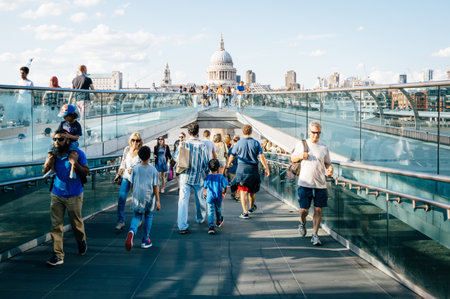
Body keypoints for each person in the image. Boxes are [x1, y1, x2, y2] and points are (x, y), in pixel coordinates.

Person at [42, 129, 89, 266]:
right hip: (57, 194)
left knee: (76, 224)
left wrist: (75, 164)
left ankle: (81, 241)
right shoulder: (53, 155)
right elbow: (44, 171)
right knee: (56, 226)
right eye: (55, 139)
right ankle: (58, 255)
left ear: (68, 141)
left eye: (60, 139)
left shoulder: (78, 154)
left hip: (74, 195)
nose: (57, 142)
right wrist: (48, 162)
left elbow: (86, 171)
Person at [290, 121, 333, 246]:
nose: (316, 135)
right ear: (309, 132)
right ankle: (302, 223)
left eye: (318, 133)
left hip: (320, 184)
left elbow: (327, 163)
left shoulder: (324, 147)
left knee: (318, 209)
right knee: (304, 210)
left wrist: (330, 169)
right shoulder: (301, 144)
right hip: (304, 182)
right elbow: (292, 158)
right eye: (314, 132)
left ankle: (315, 235)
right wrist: (300, 156)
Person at [226, 125, 270, 219]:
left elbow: (232, 155)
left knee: (243, 191)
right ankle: (251, 207)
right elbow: (261, 157)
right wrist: (266, 168)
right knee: (252, 190)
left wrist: (229, 163)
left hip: (242, 168)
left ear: (243, 132)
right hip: (253, 169)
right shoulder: (256, 143)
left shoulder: (238, 143)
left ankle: (245, 212)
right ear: (251, 131)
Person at [173, 122, 209, 234]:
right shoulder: (202, 145)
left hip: (185, 176)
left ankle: (182, 226)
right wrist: (206, 174)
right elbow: (205, 163)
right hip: (198, 177)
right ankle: (201, 218)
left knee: (183, 201)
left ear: (188, 132)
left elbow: (175, 158)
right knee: (200, 200)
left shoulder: (183, 144)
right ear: (198, 132)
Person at [125, 146, 161, 251]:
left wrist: (133, 195)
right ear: (149, 156)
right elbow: (156, 187)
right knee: (148, 216)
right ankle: (145, 240)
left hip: (137, 196)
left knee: (137, 216)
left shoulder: (135, 169)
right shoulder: (153, 170)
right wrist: (158, 201)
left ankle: (131, 232)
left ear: (139, 156)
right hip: (149, 197)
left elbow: (131, 183)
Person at [113, 132, 143, 230]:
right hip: (126, 177)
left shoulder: (142, 151)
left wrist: (134, 168)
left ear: (140, 141)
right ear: (130, 140)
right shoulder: (127, 149)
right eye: (133, 140)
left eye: (137, 140)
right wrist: (118, 174)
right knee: (121, 198)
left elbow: (144, 164)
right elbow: (123, 163)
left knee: (136, 200)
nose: (135, 142)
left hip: (137, 178)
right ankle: (121, 221)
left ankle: (138, 219)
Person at [44, 104, 82, 178]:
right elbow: (57, 132)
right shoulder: (62, 123)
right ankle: (52, 168)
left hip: (71, 142)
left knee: (73, 150)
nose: (64, 118)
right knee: (51, 148)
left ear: (72, 115)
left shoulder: (77, 125)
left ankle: (73, 170)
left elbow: (76, 137)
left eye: (66, 116)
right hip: (62, 142)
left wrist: (69, 136)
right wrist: (54, 135)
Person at [203, 159, 228, 235]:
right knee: (218, 209)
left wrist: (205, 195)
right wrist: (224, 192)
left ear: (209, 168)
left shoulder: (207, 177)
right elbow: (226, 185)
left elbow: (205, 188)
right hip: (218, 196)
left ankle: (211, 227)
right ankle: (219, 220)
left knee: (210, 211)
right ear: (218, 168)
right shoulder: (220, 177)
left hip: (210, 197)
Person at [227, 136, 240, 201]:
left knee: (232, 182)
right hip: (240, 167)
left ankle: (234, 194)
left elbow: (228, 158)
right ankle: (237, 195)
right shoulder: (241, 148)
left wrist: (227, 165)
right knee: (238, 182)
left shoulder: (231, 149)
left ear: (233, 141)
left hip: (232, 167)